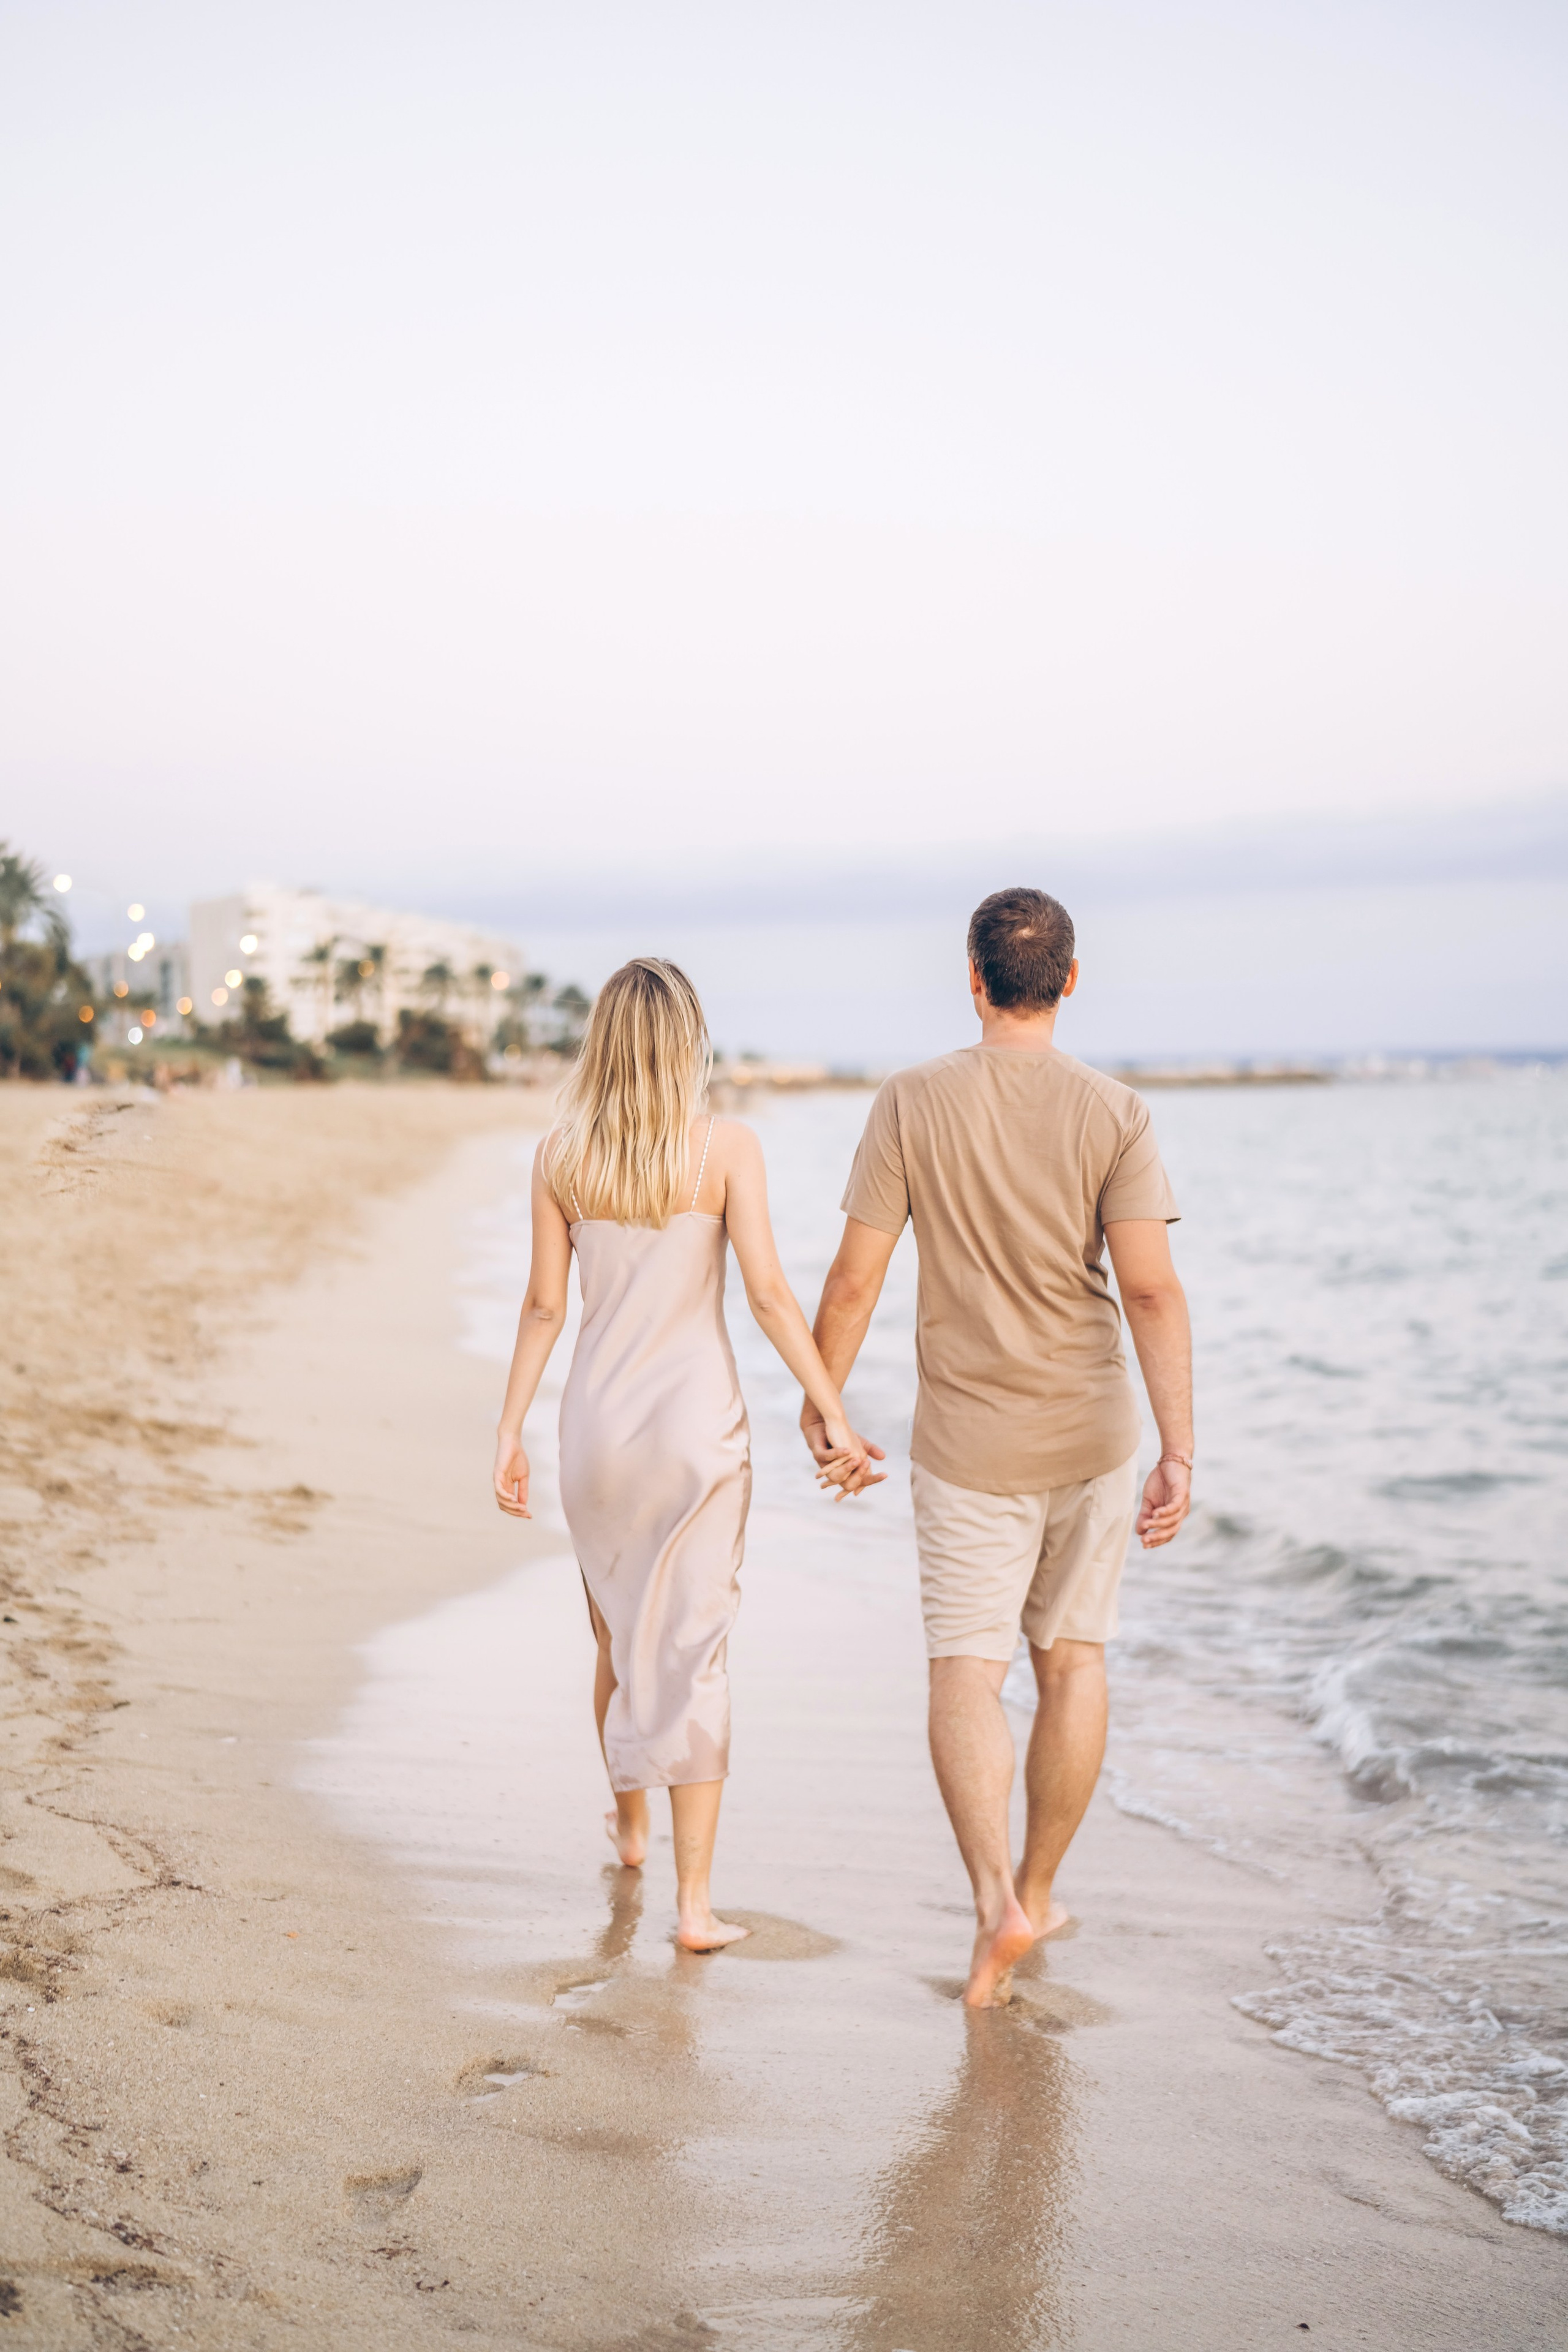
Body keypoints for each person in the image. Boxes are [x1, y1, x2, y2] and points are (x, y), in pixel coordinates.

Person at [802, 888, 1193, 2005]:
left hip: (968, 1441)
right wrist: (1179, 1448)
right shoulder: (1116, 1111)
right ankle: (1039, 1887)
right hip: (1092, 1432)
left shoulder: (911, 1100)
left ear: (973, 978)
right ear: (1069, 980)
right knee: (1073, 1663)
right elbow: (1151, 1292)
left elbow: (855, 1279)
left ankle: (993, 1906)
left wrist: (824, 1401)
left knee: (968, 1673)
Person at [493, 958, 875, 1953]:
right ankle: (695, 1906)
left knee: (617, 1640)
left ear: (603, 1045)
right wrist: (832, 1407)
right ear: (688, 1045)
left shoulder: (559, 1157)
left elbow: (543, 1307)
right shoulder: (726, 1148)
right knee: (694, 1652)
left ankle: (630, 1828)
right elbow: (770, 1297)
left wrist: (509, 1430)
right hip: (696, 1434)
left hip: (597, 1435)